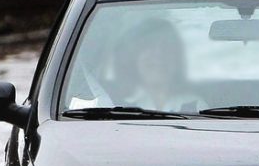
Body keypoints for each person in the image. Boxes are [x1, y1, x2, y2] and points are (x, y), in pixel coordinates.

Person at [69, 18, 206, 113]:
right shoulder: (112, 107)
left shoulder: (196, 107)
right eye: (149, 48)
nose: (157, 56)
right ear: (134, 60)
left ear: (176, 59)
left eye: (165, 48)